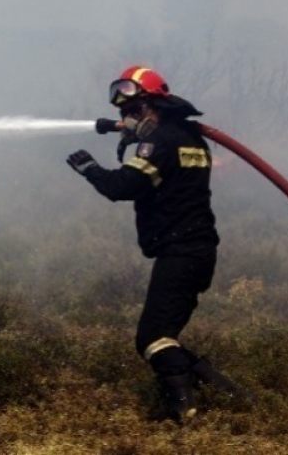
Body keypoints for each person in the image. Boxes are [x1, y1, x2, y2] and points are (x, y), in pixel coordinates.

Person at [66, 65, 244, 422]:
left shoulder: (160, 141)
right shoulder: (188, 138)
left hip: (182, 251)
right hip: (194, 250)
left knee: (152, 338)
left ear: (154, 106)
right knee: (164, 336)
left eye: (134, 110)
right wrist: (130, 138)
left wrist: (89, 168)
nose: (127, 118)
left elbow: (122, 187)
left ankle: (185, 413)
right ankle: (236, 398)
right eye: (123, 114)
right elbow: (155, 168)